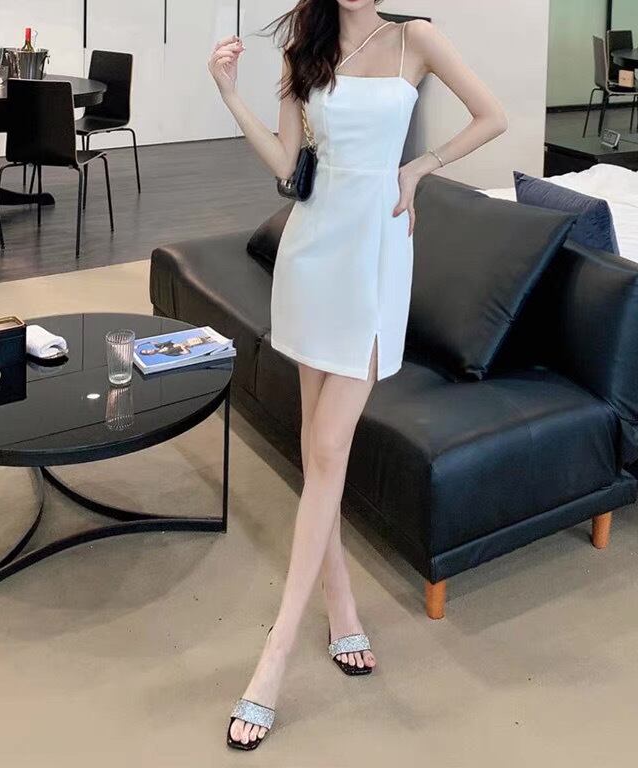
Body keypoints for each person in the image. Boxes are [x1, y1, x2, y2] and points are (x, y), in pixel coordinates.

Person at [209, 0, 507, 751]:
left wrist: (421, 166)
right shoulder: (303, 47)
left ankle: (275, 653)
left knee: (328, 448)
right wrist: (229, 94)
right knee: (321, 455)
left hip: (376, 255)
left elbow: (492, 115)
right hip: (312, 253)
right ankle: (340, 607)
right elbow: (287, 166)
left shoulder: (415, 37)